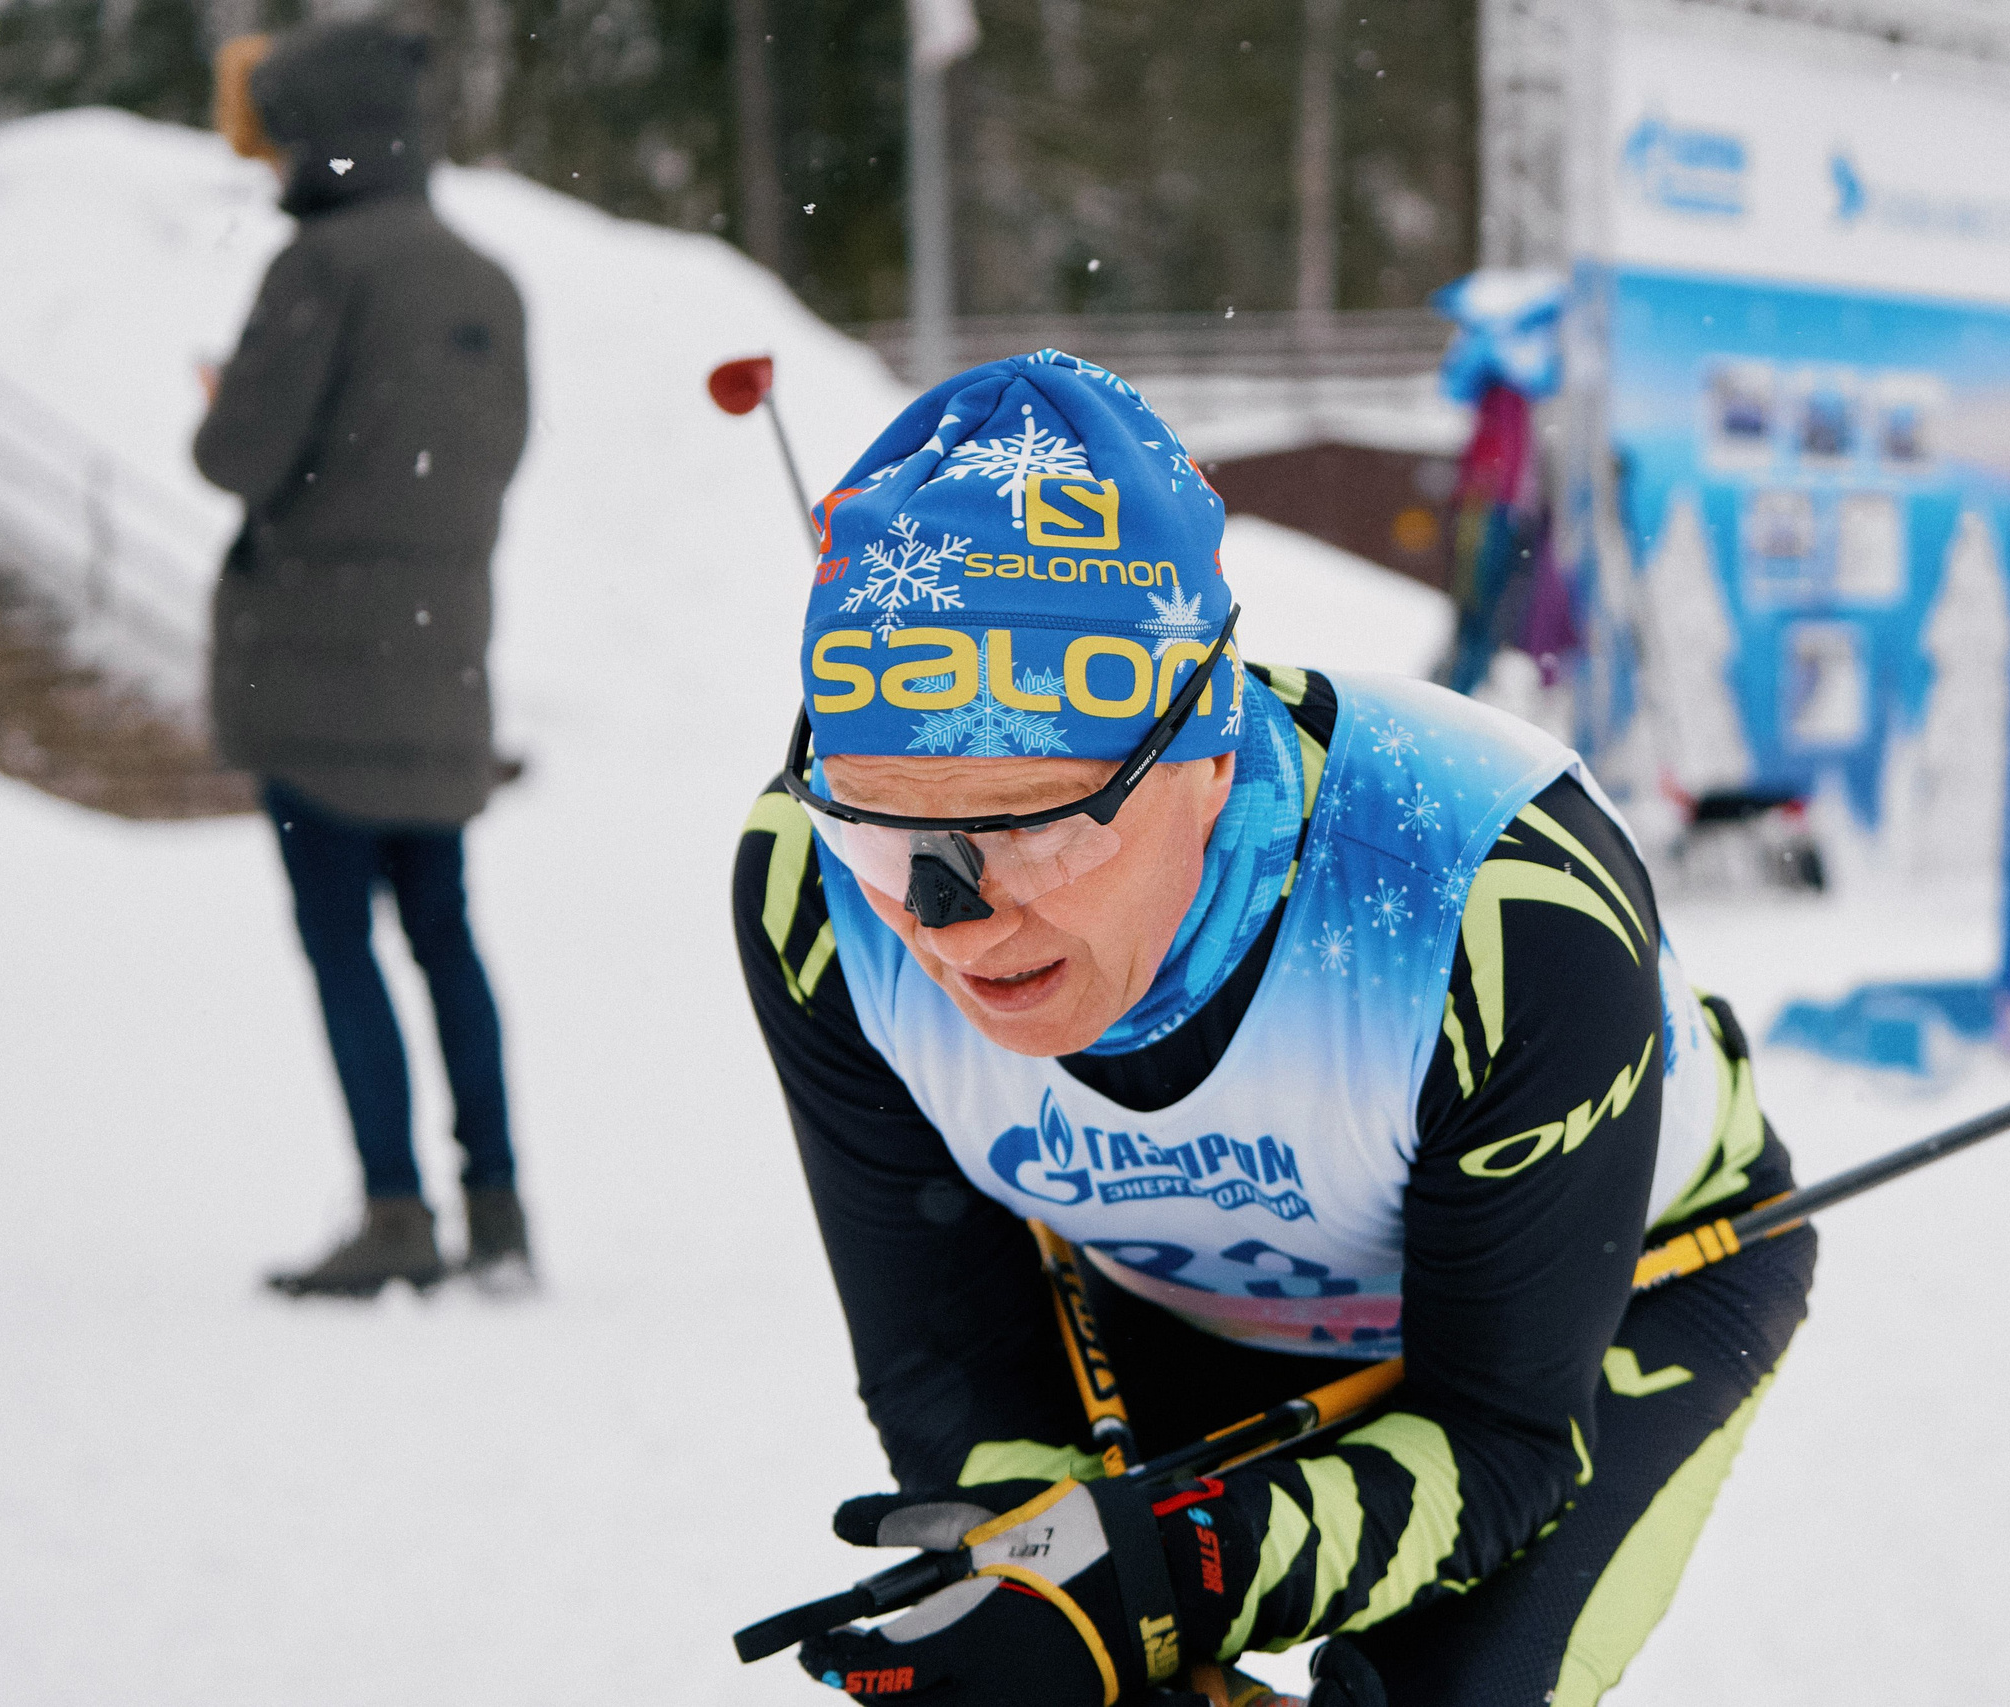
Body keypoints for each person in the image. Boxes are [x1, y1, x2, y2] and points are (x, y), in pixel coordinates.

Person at [731, 352, 1814, 1705]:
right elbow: (954, 1362)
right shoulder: (810, 897)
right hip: (1182, 1302)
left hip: (1613, 1289)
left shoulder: (1490, 895)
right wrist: (1038, 1576)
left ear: (1205, 743)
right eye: (888, 838)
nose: (950, 920)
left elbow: (1499, 1441)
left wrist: (1172, 1578)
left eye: (1033, 828)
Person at [195, 23, 533, 1298]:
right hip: (441, 655)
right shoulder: (485, 277)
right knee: (446, 933)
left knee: (343, 942)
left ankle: (395, 1214)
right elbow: (481, 461)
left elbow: (239, 459)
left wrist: (229, 395)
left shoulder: (321, 268)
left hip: (318, 672)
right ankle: (495, 1205)